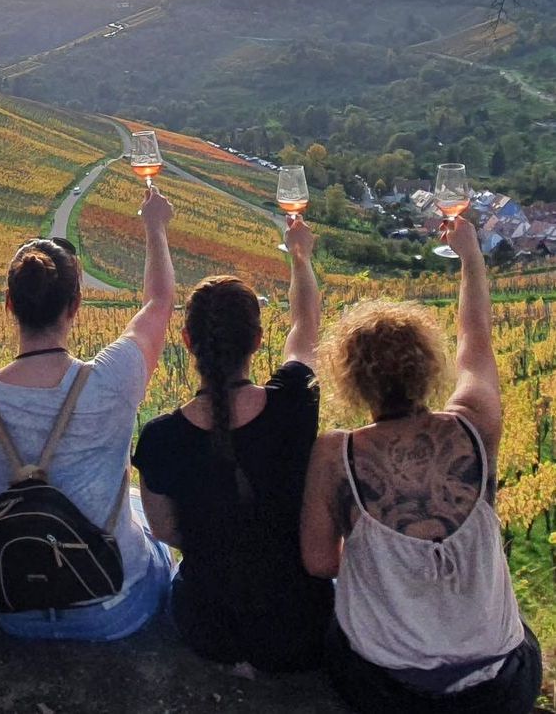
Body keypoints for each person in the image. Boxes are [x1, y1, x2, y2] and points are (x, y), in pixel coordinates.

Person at [300, 216, 541, 713]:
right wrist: (471, 257)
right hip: (500, 688)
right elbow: (475, 339)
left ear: (349, 380)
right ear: (431, 367)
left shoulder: (336, 454)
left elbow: (320, 563)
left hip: (389, 690)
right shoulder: (476, 425)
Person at [0, 185, 176, 641]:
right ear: (76, 306)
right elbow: (158, 304)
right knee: (150, 533)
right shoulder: (113, 378)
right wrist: (154, 227)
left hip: (14, 608)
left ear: (8, 305)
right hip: (110, 608)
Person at [132, 217, 334, 672]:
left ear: (187, 342)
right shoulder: (295, 401)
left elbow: (166, 532)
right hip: (298, 628)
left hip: (209, 629)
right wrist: (300, 258)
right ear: (259, 342)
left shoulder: (161, 438)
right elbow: (306, 327)